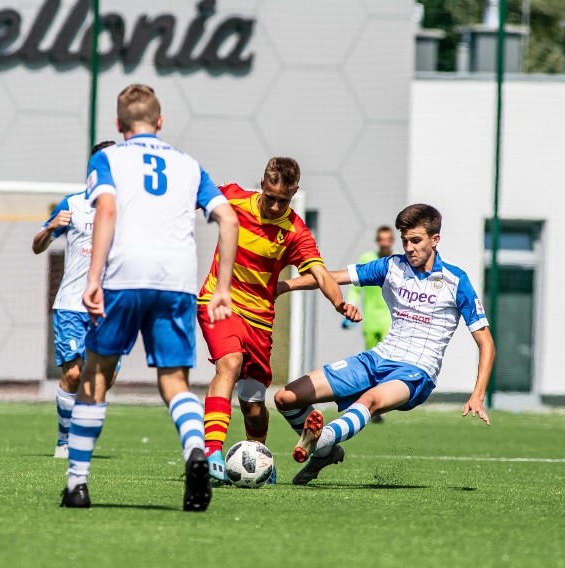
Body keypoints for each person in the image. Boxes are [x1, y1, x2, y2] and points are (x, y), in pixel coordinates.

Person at [59, 84, 239, 512]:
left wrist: (94, 278)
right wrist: (225, 288)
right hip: (176, 279)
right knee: (175, 382)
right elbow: (228, 219)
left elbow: (105, 211)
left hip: (124, 275)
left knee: (96, 374)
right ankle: (196, 450)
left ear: (119, 125)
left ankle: (77, 483)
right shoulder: (190, 165)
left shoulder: (107, 158)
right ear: (161, 123)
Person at [274, 203, 495, 485]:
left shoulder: (455, 280)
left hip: (416, 372)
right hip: (378, 358)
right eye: (405, 241)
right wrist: (282, 287)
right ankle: (324, 452)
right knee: (286, 398)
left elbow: (486, 342)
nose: (409, 247)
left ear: (435, 239)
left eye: (416, 240)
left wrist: (478, 394)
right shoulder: (391, 266)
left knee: (370, 401)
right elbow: (329, 276)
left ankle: (321, 438)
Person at [197, 157, 361, 485]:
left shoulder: (295, 231)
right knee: (228, 364)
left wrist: (339, 301)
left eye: (282, 200)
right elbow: (190, 195)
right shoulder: (232, 198)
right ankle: (212, 453)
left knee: (254, 403)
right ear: (262, 183)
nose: (274, 206)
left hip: (259, 320)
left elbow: (319, 273)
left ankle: (258, 458)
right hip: (220, 302)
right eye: (270, 196)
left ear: (294, 193)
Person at [32, 140, 116, 459]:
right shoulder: (73, 204)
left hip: (109, 308)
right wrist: (51, 227)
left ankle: (81, 429)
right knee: (73, 374)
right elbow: (37, 245)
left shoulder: (128, 209)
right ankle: (65, 440)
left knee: (102, 379)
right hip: (71, 304)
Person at [342, 225, 395, 424]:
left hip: (390, 320)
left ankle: (382, 402)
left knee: (389, 361)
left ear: (392, 241)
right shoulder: (367, 259)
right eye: (381, 239)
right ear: (377, 240)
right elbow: (356, 287)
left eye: (388, 239)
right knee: (373, 364)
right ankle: (371, 404)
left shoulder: (397, 261)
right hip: (370, 320)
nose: (384, 242)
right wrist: (349, 308)